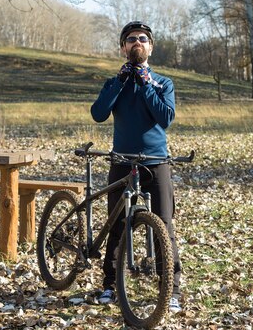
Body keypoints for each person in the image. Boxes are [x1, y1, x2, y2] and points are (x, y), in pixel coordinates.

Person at [90, 21, 182, 314]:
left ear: (150, 47)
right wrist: (120, 82)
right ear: (123, 47)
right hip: (122, 161)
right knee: (116, 225)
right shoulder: (115, 82)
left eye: (143, 39)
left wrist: (145, 83)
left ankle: (172, 289)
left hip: (156, 163)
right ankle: (110, 286)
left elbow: (165, 117)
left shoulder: (163, 83)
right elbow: (98, 114)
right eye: (131, 39)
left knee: (164, 225)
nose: (137, 42)